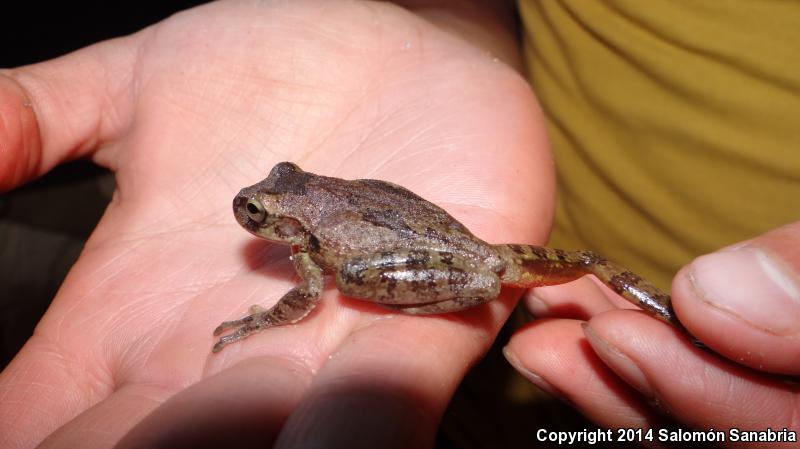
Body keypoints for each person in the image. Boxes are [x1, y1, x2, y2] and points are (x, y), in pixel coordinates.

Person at [0, 1, 796, 448]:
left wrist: (259, 317)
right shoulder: (302, 217)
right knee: (575, 258)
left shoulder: (305, 258)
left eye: (263, 212)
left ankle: (661, 311)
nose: (254, 212)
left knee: (371, 273)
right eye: (264, 206)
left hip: (454, 267)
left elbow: (305, 297)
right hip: (490, 298)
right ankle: (647, 307)